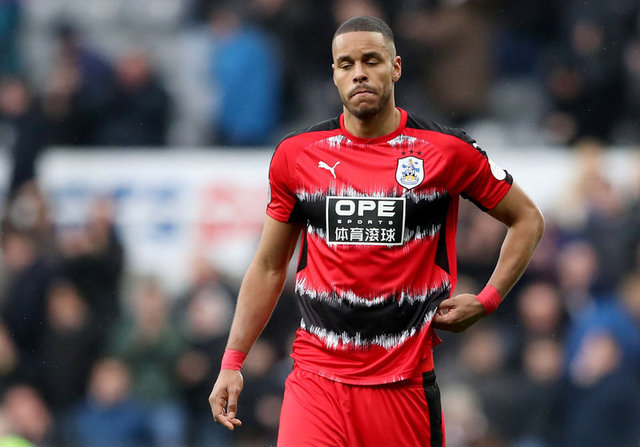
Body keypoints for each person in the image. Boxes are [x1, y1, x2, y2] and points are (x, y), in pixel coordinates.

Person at [209, 15, 544, 447]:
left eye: (371, 60)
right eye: (346, 64)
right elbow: (270, 266)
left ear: (395, 67)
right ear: (334, 74)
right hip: (316, 383)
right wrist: (232, 361)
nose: (359, 73)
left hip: (403, 387)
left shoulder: (446, 151)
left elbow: (527, 219)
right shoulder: (298, 155)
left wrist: (487, 300)